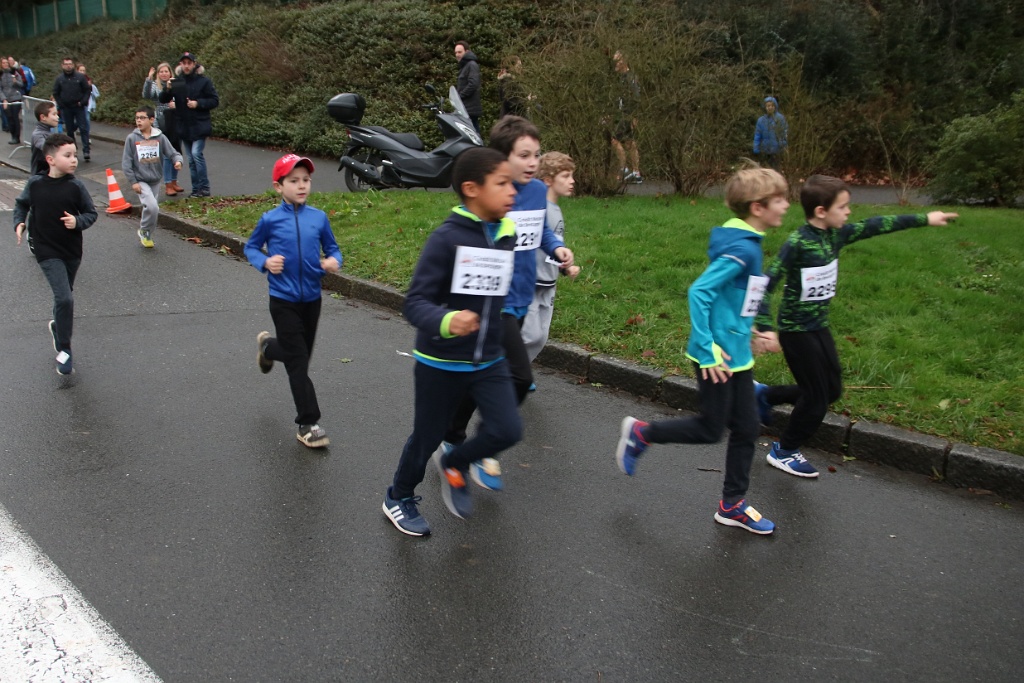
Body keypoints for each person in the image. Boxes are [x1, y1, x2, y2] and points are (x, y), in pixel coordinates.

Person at [614, 166, 791, 535]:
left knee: (747, 428)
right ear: (758, 207)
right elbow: (700, 291)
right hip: (717, 358)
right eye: (780, 200)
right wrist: (707, 347)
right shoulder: (742, 248)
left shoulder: (750, 242)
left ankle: (732, 505)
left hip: (736, 354)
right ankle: (643, 433)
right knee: (711, 429)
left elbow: (733, 297)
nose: (787, 205)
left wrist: (751, 329)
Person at [752, 175, 959, 478]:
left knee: (832, 390)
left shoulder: (836, 235)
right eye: (843, 206)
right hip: (796, 331)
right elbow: (764, 284)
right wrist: (765, 327)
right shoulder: (798, 243)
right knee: (816, 397)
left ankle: (765, 396)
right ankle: (784, 450)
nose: (849, 212)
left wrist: (926, 218)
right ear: (821, 211)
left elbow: (876, 225)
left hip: (818, 325)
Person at [383, 147, 522, 536]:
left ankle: (456, 462)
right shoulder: (445, 239)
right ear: (472, 189)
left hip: (488, 358)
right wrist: (447, 320)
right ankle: (398, 496)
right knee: (427, 436)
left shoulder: (506, 235)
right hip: (440, 361)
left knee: (508, 430)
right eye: (502, 183)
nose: (512, 191)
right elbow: (414, 303)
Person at [437, 116, 574, 492]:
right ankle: (484, 444)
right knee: (520, 377)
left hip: (522, 297)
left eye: (537, 154)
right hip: (492, 302)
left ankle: (452, 435)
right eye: (523, 155)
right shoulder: (490, 192)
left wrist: (556, 248)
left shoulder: (535, 191)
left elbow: (539, 229)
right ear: (501, 157)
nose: (533, 162)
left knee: (480, 375)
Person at [244, 154, 342, 449]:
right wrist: (265, 261)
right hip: (283, 299)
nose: (302, 186)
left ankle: (268, 348)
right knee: (298, 363)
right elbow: (251, 247)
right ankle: (308, 423)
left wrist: (333, 261)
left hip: (312, 299)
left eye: (306, 180)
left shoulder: (318, 218)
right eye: (294, 180)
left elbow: (334, 249)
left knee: (299, 355)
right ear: (279, 186)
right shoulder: (270, 220)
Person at [13, 133, 98, 376]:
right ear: (50, 159)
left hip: (71, 251)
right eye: (67, 155)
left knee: (64, 297)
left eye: (75, 155)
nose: (74, 160)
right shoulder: (35, 184)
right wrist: (19, 222)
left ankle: (57, 328)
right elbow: (21, 204)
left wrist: (77, 221)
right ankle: (65, 349)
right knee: (65, 299)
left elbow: (91, 213)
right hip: (46, 250)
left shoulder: (76, 186)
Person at [521, 151, 581, 363]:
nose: (572, 181)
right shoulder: (537, 209)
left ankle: (519, 373)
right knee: (528, 335)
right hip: (531, 282)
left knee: (540, 337)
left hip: (548, 282)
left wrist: (565, 267)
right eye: (565, 176)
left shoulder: (556, 209)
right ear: (548, 180)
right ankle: (507, 372)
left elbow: (554, 245)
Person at [122, 106, 183, 249]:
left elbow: (173, 153)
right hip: (140, 180)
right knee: (152, 206)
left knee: (151, 209)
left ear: (151, 120)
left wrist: (178, 161)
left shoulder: (160, 137)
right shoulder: (132, 138)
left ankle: (147, 233)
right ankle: (144, 230)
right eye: (137, 118)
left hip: (155, 179)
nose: (139, 121)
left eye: (142, 118)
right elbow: (126, 162)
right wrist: (133, 182)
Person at [159, 52, 219, 197]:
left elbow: (214, 100)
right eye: (184, 63)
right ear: (180, 65)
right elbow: (163, 99)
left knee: (196, 154)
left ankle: (204, 187)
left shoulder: (204, 81)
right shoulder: (177, 82)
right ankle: (196, 189)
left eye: (189, 63)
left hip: (200, 124)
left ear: (194, 64)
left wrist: (198, 103)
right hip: (184, 126)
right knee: (191, 159)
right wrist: (168, 88)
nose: (186, 66)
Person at [143, 62, 184, 196]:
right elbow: (146, 95)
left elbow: (183, 98)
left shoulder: (176, 84)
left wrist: (177, 104)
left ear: (170, 72)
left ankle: (174, 181)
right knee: (167, 154)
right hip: (162, 121)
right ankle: (168, 184)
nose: (164, 74)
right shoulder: (156, 85)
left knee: (176, 151)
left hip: (176, 119)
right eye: (161, 72)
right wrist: (149, 79)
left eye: (166, 71)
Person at [51, 57, 91, 162]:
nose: (68, 66)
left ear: (73, 65)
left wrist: (83, 102)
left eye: (70, 64)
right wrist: (61, 104)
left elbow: (87, 90)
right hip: (66, 108)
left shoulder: (80, 77)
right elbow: (55, 92)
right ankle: (73, 150)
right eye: (66, 64)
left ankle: (86, 150)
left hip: (79, 107)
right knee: (69, 130)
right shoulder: (60, 79)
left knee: (83, 128)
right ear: (62, 66)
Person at [611, 50, 642, 183]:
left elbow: (636, 98)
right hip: (622, 114)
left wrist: (634, 116)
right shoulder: (620, 78)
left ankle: (624, 170)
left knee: (614, 140)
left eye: (617, 61)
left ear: (624, 61)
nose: (615, 64)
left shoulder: (630, 78)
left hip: (626, 115)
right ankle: (636, 173)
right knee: (630, 142)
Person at [454, 41, 483, 134]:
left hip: (469, 110)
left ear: (466, 52)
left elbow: (473, 84)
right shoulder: (465, 66)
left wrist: (460, 96)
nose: (457, 55)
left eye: (460, 52)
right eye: (456, 52)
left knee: (473, 135)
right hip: (465, 109)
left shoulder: (471, 65)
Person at [753, 96, 788, 169]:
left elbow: (784, 132)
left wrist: (783, 144)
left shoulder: (780, 118)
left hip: (776, 151)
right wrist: (756, 148)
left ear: (775, 106)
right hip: (764, 150)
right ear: (765, 107)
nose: (770, 107)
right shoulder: (761, 120)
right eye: (768, 106)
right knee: (764, 170)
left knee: (775, 170)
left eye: (772, 105)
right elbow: (757, 135)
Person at [30, 101, 59, 176]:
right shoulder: (38, 135)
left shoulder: (49, 132)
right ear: (43, 117)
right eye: (54, 114)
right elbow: (45, 147)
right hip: (40, 176)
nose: (57, 117)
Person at [1, 56, 24, 145]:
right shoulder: (1, 75)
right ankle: (13, 136)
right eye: (3, 63)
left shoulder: (14, 72)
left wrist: (15, 82)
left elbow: (21, 84)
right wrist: (4, 99)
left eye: (7, 62)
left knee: (15, 117)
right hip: (6, 99)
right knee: (9, 118)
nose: (6, 64)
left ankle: (17, 137)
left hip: (15, 98)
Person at [76, 64, 99, 130]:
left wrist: (90, 86)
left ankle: (86, 133)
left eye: (84, 70)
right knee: (77, 119)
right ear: (77, 71)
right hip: (76, 103)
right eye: (81, 70)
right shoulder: (73, 79)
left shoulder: (88, 80)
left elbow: (91, 91)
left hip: (86, 103)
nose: (82, 72)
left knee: (87, 119)